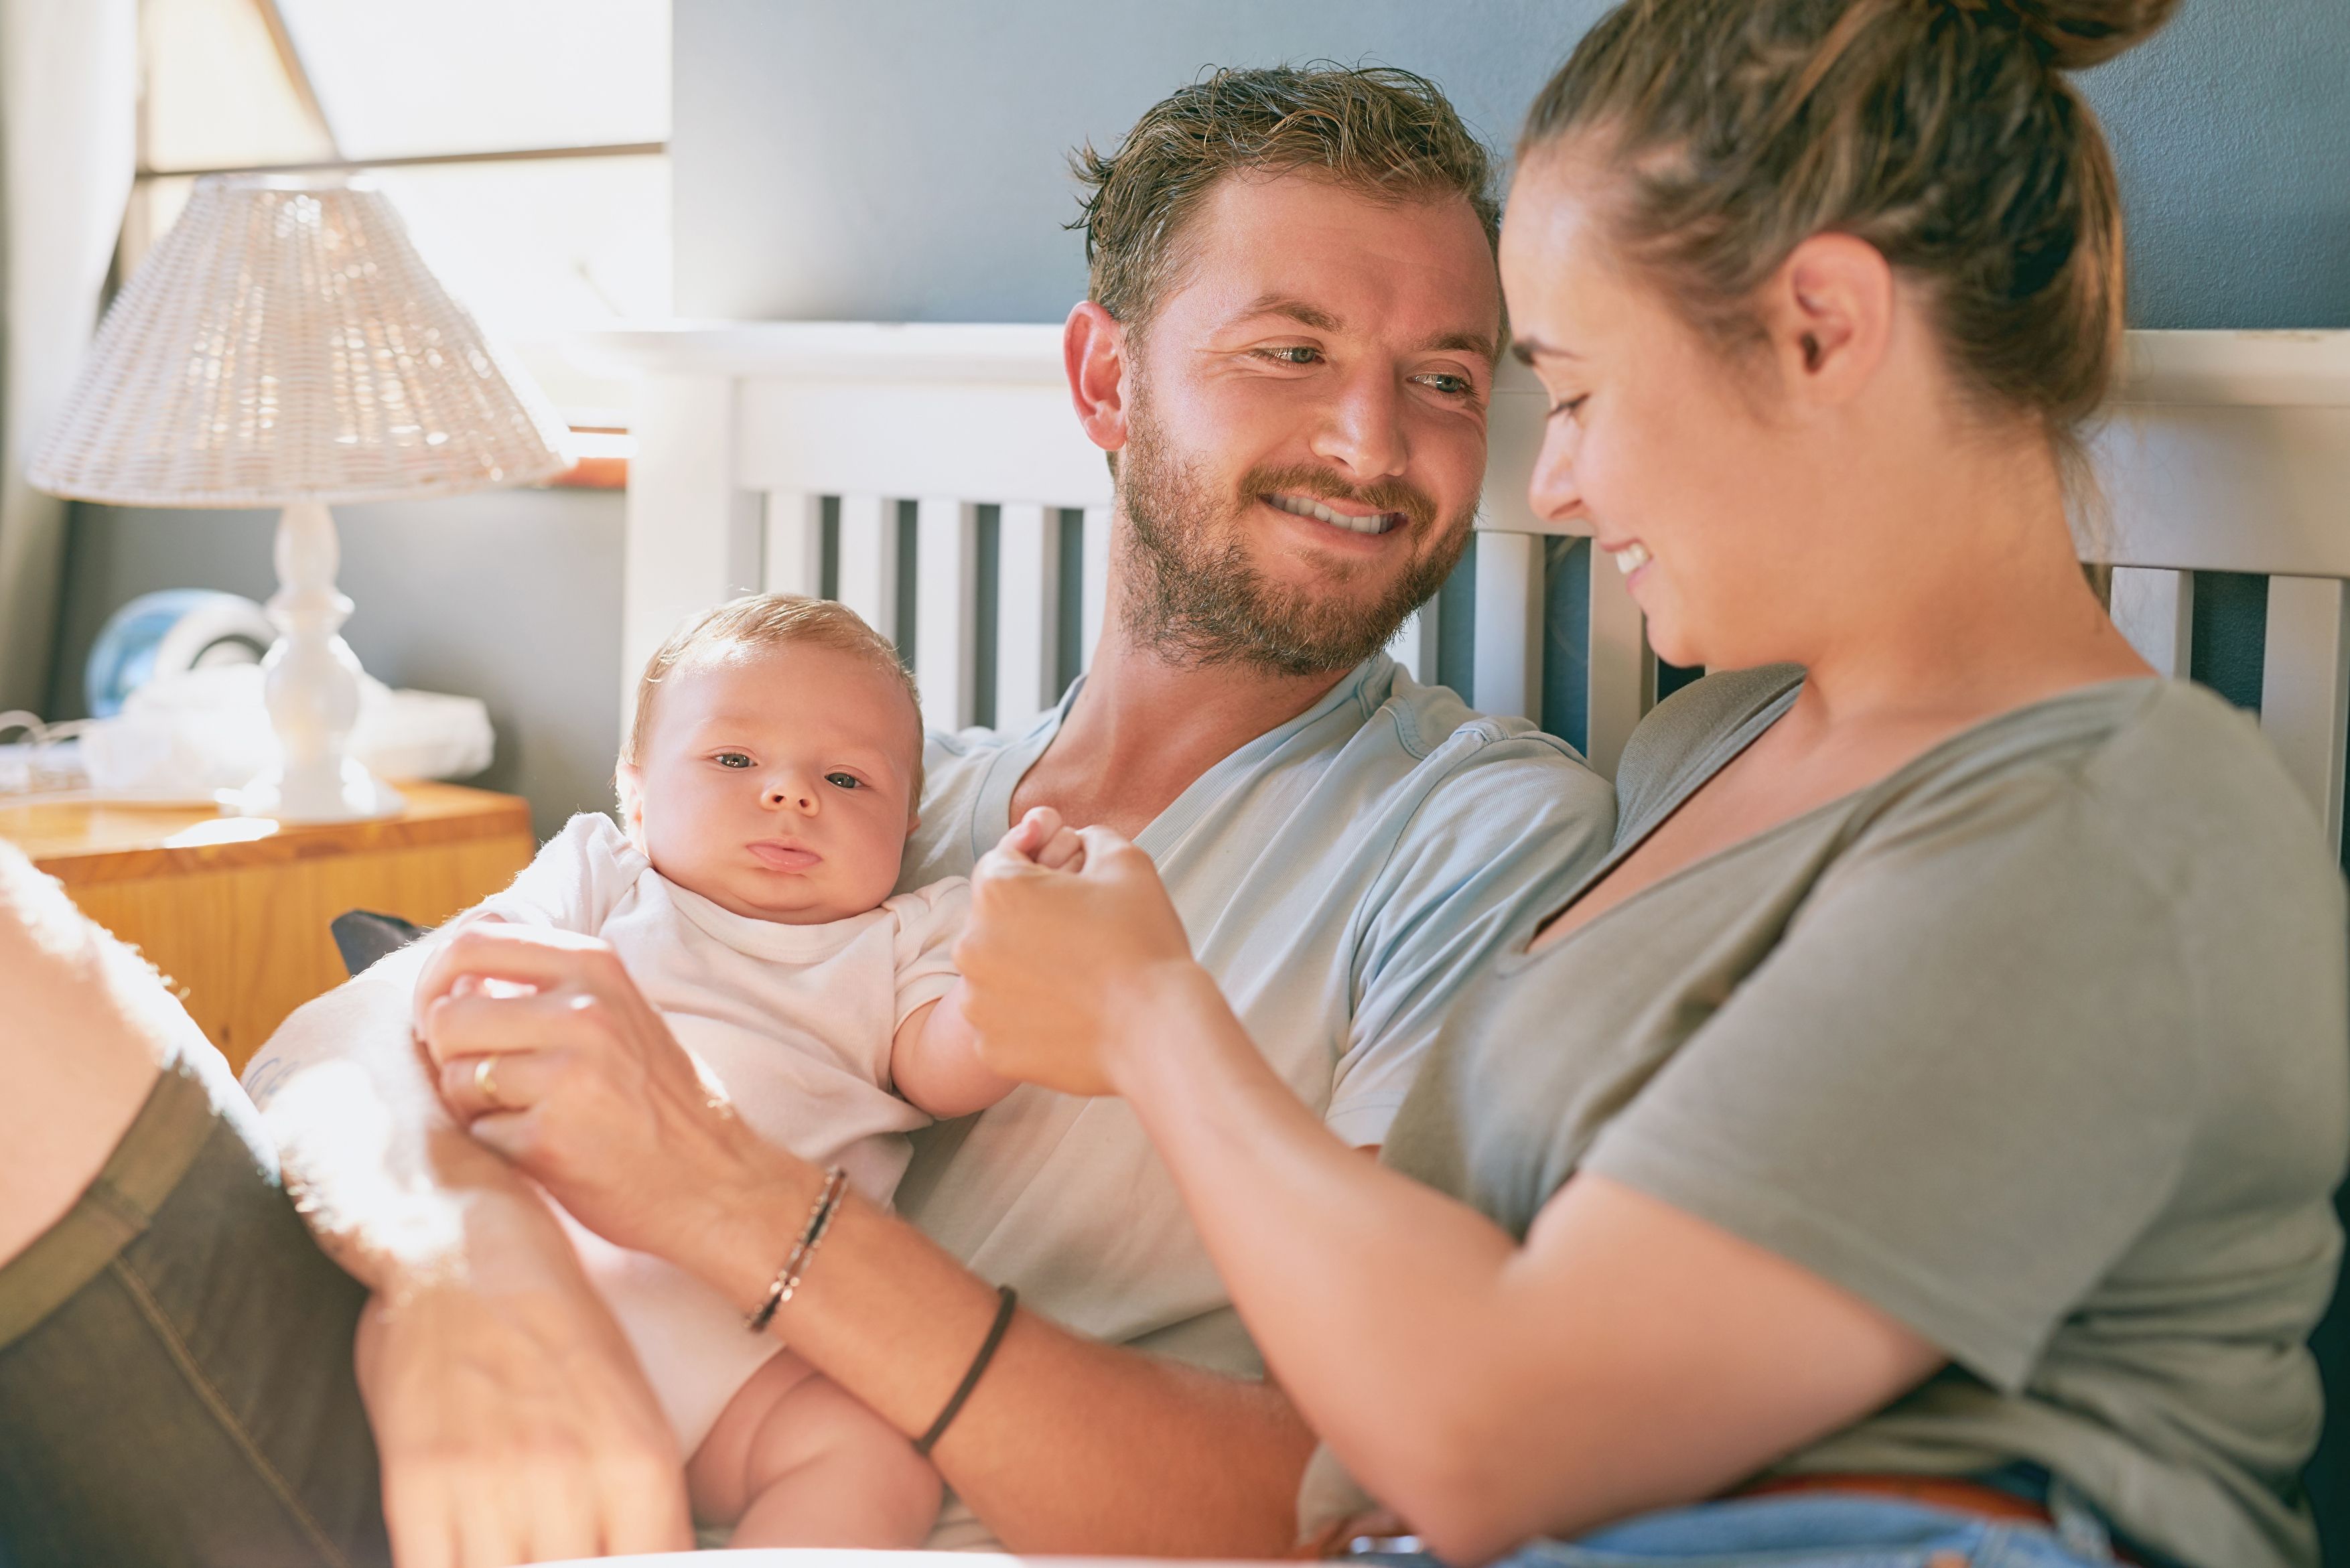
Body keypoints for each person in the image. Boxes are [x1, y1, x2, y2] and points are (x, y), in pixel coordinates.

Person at [0, 64, 1614, 1567]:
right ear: (1106, 377)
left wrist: (720, 1190)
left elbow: (1355, 1492)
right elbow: (337, 1044)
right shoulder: (858, 788)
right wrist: (462, 1266)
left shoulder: (1475, 837)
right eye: (1292, 348)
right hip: (481, 1389)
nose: (1372, 439)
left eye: (1447, 379)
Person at [946, 3, 2350, 1568]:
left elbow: (1498, 1436)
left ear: (1821, 327)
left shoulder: (2115, 828)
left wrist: (1151, 1020)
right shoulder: (1703, 749)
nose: (1544, 483)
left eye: (1581, 391)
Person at [417, 594, 1066, 1547]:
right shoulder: (605, 872)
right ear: (635, 796)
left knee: (873, 1460)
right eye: (735, 760)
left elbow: (948, 1063)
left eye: (848, 779)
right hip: (550, 1300)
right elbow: (481, 954)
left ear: (908, 824)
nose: (793, 795)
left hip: (758, 1361)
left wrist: (1025, 950)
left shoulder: (902, 936)